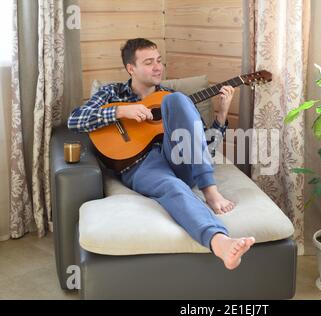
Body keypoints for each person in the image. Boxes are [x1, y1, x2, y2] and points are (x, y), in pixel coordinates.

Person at [67, 38, 255, 270]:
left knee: (176, 99)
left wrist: (221, 116)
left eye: (159, 61)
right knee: (173, 187)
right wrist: (121, 111)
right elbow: (74, 120)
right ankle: (220, 242)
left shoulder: (173, 99)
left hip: (178, 159)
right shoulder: (111, 92)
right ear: (130, 68)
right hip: (141, 166)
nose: (158, 67)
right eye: (148, 62)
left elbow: (202, 149)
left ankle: (210, 190)